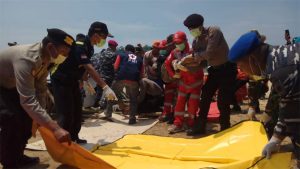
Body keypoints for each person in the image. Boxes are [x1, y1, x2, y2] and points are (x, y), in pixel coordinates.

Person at [0, 28, 72, 168]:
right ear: (51, 47)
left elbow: (40, 88)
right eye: (63, 52)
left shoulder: (49, 59)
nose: (64, 57)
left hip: (11, 84)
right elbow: (27, 100)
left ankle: (18, 155)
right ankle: (9, 161)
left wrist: (40, 117)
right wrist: (55, 128)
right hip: (1, 84)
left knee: (28, 119)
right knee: (11, 118)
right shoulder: (26, 58)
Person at [228, 31, 300, 168]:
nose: (242, 71)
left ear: (251, 59)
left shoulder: (281, 71)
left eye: (241, 66)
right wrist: (276, 138)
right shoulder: (276, 58)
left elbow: (294, 121)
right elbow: (286, 105)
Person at [50, 22, 117, 144]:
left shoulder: (90, 47)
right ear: (96, 35)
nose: (104, 40)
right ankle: (63, 142)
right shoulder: (80, 46)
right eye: (104, 37)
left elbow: (84, 68)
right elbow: (89, 67)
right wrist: (105, 87)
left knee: (77, 111)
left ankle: (74, 137)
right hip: (61, 80)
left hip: (73, 80)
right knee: (66, 113)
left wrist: (84, 80)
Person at [183, 14, 237, 136]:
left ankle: (225, 128)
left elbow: (209, 53)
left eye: (192, 28)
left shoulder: (214, 31)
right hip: (214, 70)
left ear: (200, 26)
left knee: (223, 101)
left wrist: (192, 57)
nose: (191, 31)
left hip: (227, 69)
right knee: (205, 97)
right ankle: (200, 126)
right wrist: (184, 67)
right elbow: (201, 63)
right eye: (189, 29)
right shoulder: (196, 41)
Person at [165, 31, 204, 134]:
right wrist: (173, 74)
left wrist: (188, 67)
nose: (178, 45)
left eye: (180, 43)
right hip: (183, 82)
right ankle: (178, 124)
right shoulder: (175, 52)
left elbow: (201, 63)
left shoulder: (194, 50)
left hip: (196, 82)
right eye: (176, 43)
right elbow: (167, 63)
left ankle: (191, 124)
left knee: (193, 104)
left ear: (186, 41)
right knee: (179, 103)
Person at [106, 44, 143, 124]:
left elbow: (115, 67)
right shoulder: (140, 59)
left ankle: (108, 115)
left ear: (126, 50)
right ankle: (132, 118)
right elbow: (142, 74)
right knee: (133, 100)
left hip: (121, 78)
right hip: (134, 80)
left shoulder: (121, 54)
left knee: (111, 95)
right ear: (134, 51)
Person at [91, 39, 118, 108]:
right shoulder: (114, 55)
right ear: (112, 46)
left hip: (100, 76)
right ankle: (105, 106)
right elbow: (115, 66)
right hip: (109, 76)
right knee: (108, 91)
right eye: (115, 47)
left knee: (99, 92)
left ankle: (95, 105)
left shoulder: (102, 53)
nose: (115, 48)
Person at [159, 35, 177, 124]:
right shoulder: (166, 54)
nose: (167, 47)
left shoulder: (177, 52)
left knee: (176, 99)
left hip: (177, 80)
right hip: (169, 80)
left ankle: (173, 115)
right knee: (168, 98)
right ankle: (167, 114)